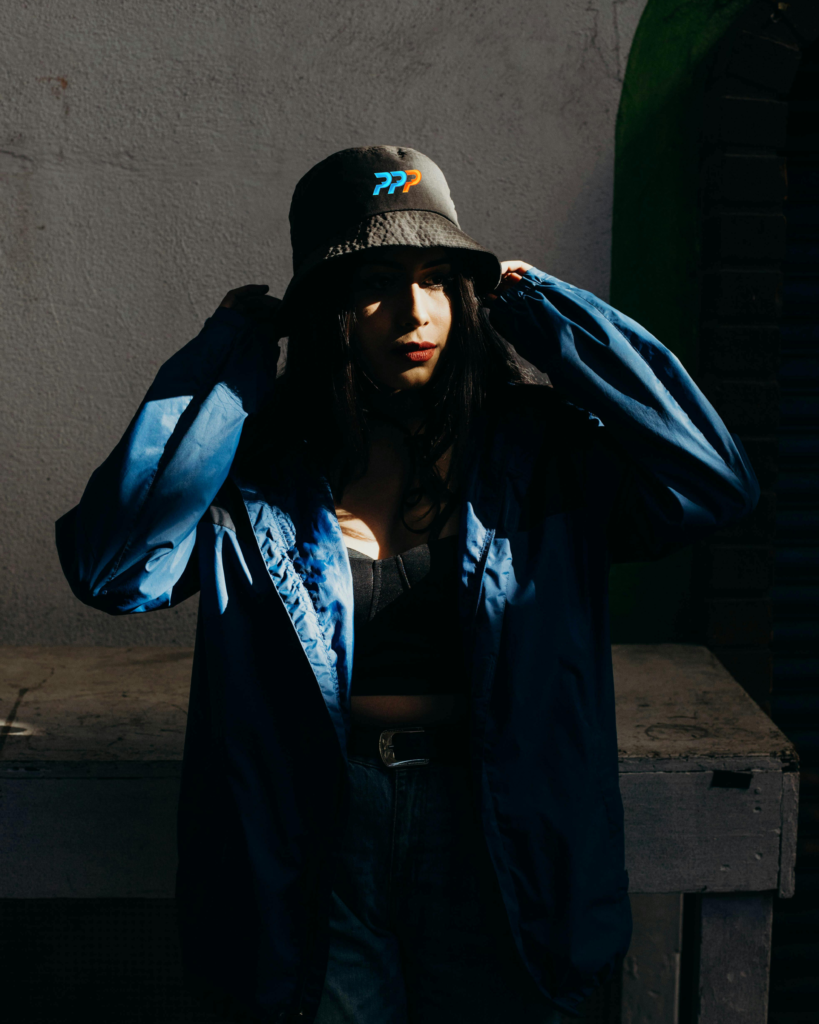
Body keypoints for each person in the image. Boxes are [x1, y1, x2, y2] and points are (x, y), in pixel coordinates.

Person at [55, 145, 760, 1024]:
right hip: (314, 828)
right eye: (376, 282)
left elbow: (711, 484)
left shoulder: (537, 455)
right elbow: (112, 568)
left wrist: (545, 311)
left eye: (437, 279)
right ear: (325, 307)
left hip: (499, 825)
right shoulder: (264, 467)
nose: (413, 311)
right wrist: (227, 358)